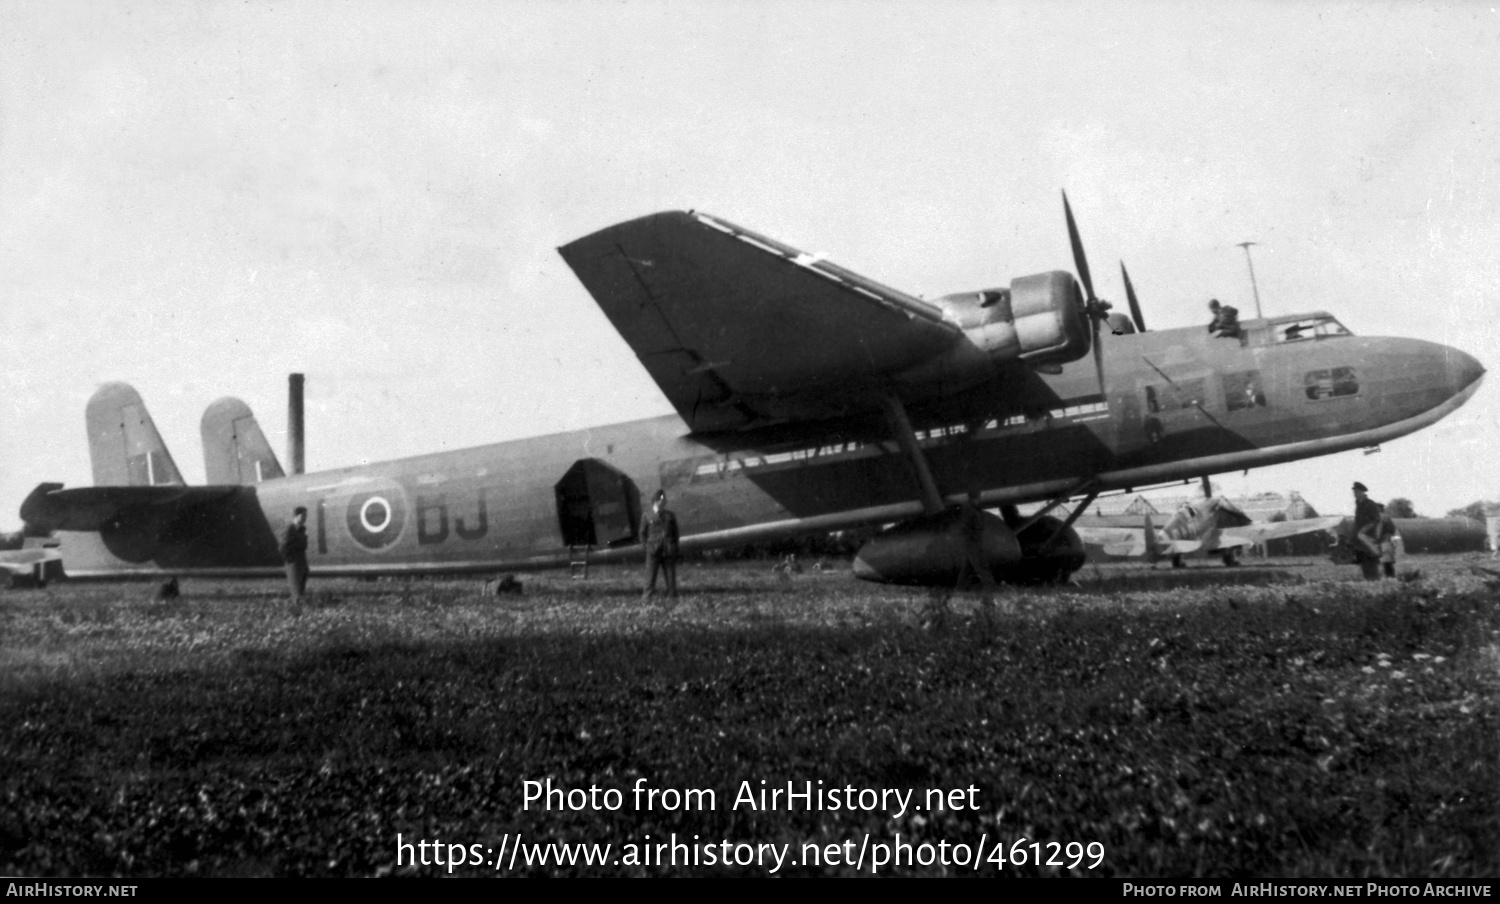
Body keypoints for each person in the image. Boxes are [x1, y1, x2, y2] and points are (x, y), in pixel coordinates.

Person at [640, 489, 680, 601]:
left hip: (668, 550)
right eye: (662, 500)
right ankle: (646, 600)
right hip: (653, 551)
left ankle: (672, 598)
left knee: (671, 577)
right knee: (650, 578)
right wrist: (647, 548)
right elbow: (642, 534)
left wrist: (674, 547)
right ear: (656, 501)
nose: (665, 502)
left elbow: (675, 533)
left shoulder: (670, 516)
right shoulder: (647, 516)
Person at [1350, 482, 1382, 580]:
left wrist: (1364, 530)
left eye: (1357, 492)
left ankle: (1375, 584)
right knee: (1364, 564)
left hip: (1368, 539)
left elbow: (1376, 520)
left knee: (1371, 564)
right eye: (1354, 492)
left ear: (1363, 492)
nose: (1355, 494)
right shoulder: (1358, 504)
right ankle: (1370, 584)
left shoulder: (1370, 504)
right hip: (1360, 540)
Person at [280, 506, 310, 602]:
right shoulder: (290, 529)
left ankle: (300, 614)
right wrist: (290, 562)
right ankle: (295, 614)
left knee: (300, 592)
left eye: (306, 515)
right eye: (303, 515)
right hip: (293, 565)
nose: (305, 518)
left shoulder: (302, 529)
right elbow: (283, 547)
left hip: (301, 564)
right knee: (296, 593)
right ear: (296, 516)